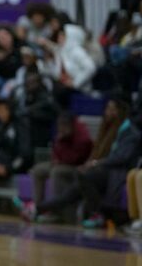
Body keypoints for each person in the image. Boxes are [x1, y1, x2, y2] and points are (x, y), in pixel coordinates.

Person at [20, 98, 140, 227]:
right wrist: (92, 163)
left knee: (80, 179)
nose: (107, 112)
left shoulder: (130, 133)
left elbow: (121, 158)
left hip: (117, 172)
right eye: (107, 108)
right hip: (104, 170)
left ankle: (98, 213)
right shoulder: (111, 129)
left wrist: (96, 163)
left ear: (120, 111)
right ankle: (39, 209)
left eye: (111, 109)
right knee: (73, 190)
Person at [24, 112, 93, 214]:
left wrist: (60, 153)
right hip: (62, 163)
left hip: (77, 167)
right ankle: (37, 207)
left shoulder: (82, 138)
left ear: (70, 125)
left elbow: (73, 159)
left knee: (56, 172)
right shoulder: (62, 133)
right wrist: (56, 158)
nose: (60, 129)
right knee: (38, 169)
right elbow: (55, 152)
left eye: (63, 126)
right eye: (59, 126)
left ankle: (55, 211)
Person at [12, 72, 58, 150]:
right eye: (27, 83)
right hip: (27, 136)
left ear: (39, 83)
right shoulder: (25, 97)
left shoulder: (46, 97)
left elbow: (53, 115)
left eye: (32, 82)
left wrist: (31, 112)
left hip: (41, 133)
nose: (28, 85)